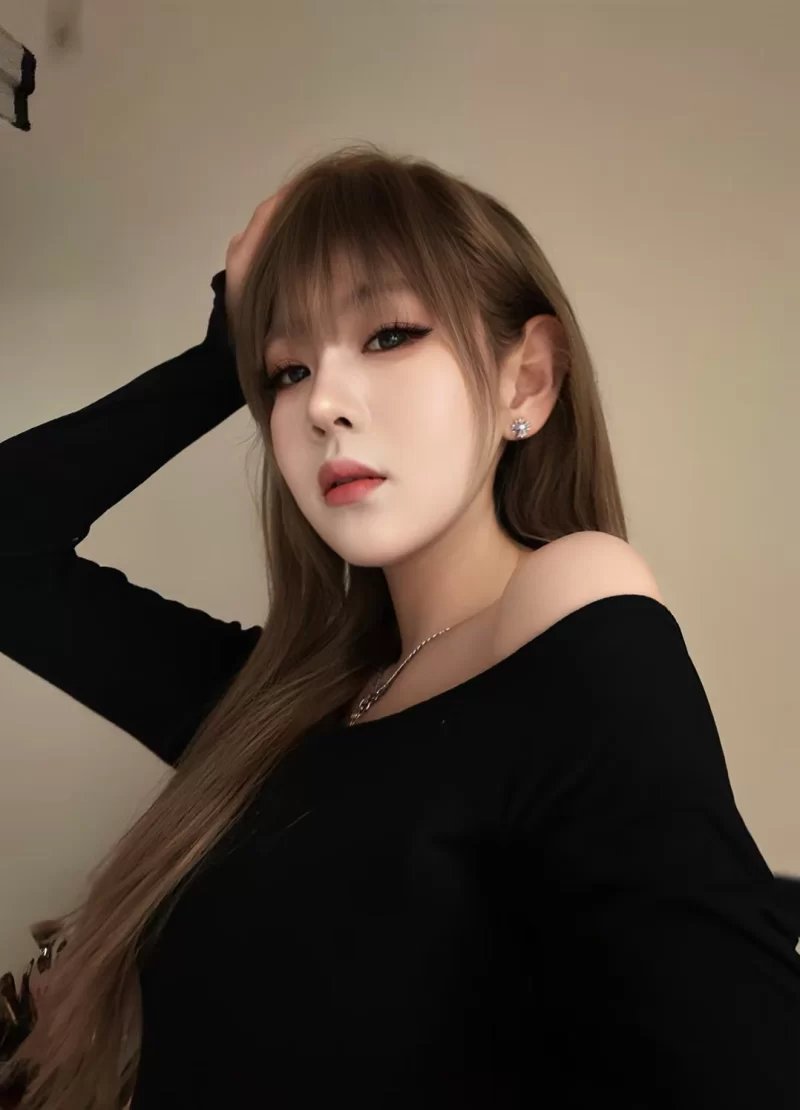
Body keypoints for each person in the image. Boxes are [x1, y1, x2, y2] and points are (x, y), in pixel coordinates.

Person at [1, 145, 798, 1110]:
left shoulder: (571, 604)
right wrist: (223, 359)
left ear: (526, 382)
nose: (321, 404)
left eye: (388, 335)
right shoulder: (269, 708)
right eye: (287, 369)